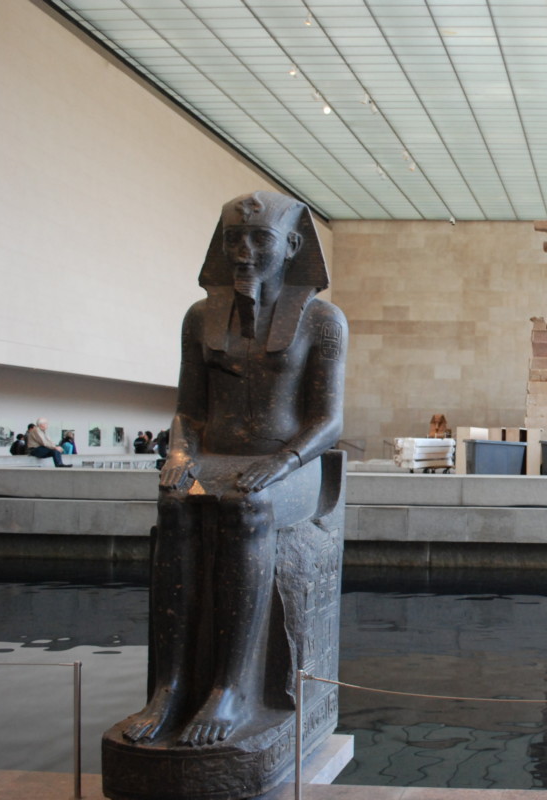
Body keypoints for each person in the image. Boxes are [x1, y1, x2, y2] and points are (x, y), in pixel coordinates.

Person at [121, 191, 347, 748]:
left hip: (292, 463)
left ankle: (231, 688)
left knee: (247, 508)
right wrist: (180, 455)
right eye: (234, 240)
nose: (244, 251)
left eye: (259, 239)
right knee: (175, 506)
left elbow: (327, 420)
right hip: (217, 457)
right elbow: (190, 411)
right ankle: (171, 687)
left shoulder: (322, 320)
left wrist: (281, 461)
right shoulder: (200, 317)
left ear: (291, 245)